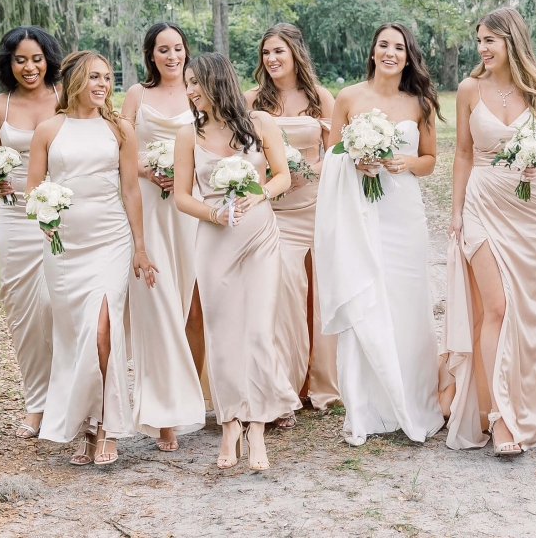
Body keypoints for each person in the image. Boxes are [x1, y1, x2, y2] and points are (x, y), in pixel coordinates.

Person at [443, 7, 536, 453]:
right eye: (479, 40)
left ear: (510, 41)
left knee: (531, 314)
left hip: (533, 210)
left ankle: (532, 407)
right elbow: (461, 153)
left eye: (489, 40)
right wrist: (456, 211)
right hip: (482, 203)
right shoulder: (468, 89)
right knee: (494, 308)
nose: (482, 48)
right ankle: (498, 418)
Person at [315, 23, 445, 446]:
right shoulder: (349, 97)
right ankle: (366, 407)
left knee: (406, 301)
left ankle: (409, 398)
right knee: (366, 294)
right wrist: (355, 160)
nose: (391, 52)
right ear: (372, 51)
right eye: (384, 45)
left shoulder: (420, 101)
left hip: (403, 214)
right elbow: (332, 154)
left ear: (408, 57)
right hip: (361, 212)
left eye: (399, 47)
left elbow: (430, 160)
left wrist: (406, 162)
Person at [26, 50, 157, 466]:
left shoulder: (119, 129)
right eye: (94, 77)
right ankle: (84, 424)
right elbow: (34, 189)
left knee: (103, 330)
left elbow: (131, 191)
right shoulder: (49, 129)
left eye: (107, 78)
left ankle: (107, 426)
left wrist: (139, 246)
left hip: (110, 239)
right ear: (74, 81)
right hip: (65, 247)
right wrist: (43, 219)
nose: (102, 85)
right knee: (75, 335)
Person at [173, 52, 298, 472]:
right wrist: (214, 213)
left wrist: (258, 193)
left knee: (259, 331)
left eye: (195, 82)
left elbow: (282, 175)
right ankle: (229, 424)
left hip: (260, 236)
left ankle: (258, 428)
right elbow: (181, 196)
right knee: (223, 335)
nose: (189, 90)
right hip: (214, 241)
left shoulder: (260, 123)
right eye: (187, 83)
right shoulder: (188, 133)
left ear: (217, 81)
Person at [246, 24, 339, 421]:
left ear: (296, 53)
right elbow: (243, 152)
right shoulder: (252, 100)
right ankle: (281, 386)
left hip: (316, 205)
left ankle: (318, 385)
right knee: (283, 295)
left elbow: (337, 153)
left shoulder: (320, 98)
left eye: (279, 51)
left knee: (319, 295)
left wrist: (309, 167)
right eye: (266, 53)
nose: (272, 59)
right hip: (275, 212)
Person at [121, 23, 206, 451]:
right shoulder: (137, 95)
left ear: (186, 52)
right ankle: (163, 416)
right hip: (151, 212)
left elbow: (217, 142)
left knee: (192, 307)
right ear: (150, 55)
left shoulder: (200, 90)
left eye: (178, 49)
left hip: (191, 213)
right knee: (159, 307)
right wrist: (149, 171)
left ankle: (192, 400)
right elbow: (118, 147)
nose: (172, 56)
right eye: (163, 50)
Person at [0, 26, 62, 439]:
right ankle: (36, 403)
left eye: (36, 58)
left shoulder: (68, 98)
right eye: (20, 59)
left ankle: (69, 400)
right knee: (23, 311)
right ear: (8, 63)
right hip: (13, 216)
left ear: (49, 59)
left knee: (57, 305)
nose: (29, 67)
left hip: (61, 214)